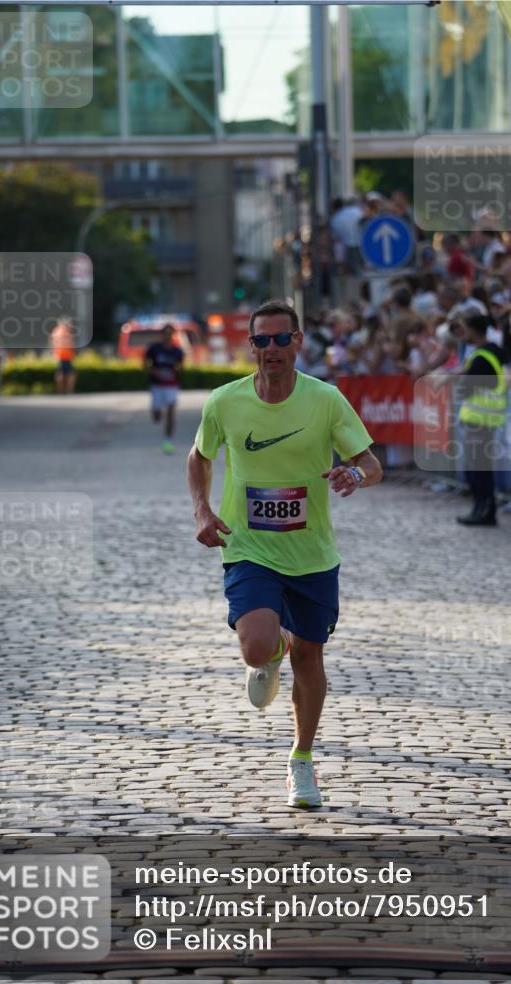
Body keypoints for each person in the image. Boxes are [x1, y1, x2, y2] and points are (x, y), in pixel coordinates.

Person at [187, 299, 382, 809]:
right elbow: (199, 456)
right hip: (249, 546)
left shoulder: (325, 400)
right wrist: (202, 512)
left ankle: (302, 760)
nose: (271, 349)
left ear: (298, 341)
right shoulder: (225, 402)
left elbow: (370, 460)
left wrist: (354, 474)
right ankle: (270, 652)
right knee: (255, 646)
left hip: (312, 553)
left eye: (280, 339)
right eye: (261, 341)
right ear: (250, 346)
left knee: (310, 657)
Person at [454, 313, 507, 526]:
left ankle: (484, 511)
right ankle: (482, 509)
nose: (463, 333)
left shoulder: (481, 357)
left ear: (474, 330)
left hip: (480, 419)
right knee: (479, 467)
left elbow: (466, 388)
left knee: (479, 468)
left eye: (465, 328)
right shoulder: (492, 352)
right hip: (486, 418)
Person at [144, 324, 184, 454]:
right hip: (157, 385)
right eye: (165, 333)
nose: (167, 336)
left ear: (173, 335)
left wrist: (175, 370)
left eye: (170, 333)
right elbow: (145, 364)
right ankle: (158, 412)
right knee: (157, 417)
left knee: (171, 411)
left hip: (171, 385)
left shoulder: (177, 351)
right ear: (161, 335)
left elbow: (180, 367)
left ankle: (168, 441)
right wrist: (154, 371)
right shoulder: (154, 349)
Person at [50, 317, 77, 394]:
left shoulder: (58, 331)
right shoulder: (62, 332)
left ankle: (64, 391)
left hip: (65, 356)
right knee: (63, 375)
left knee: (67, 374)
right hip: (62, 355)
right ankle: (65, 391)